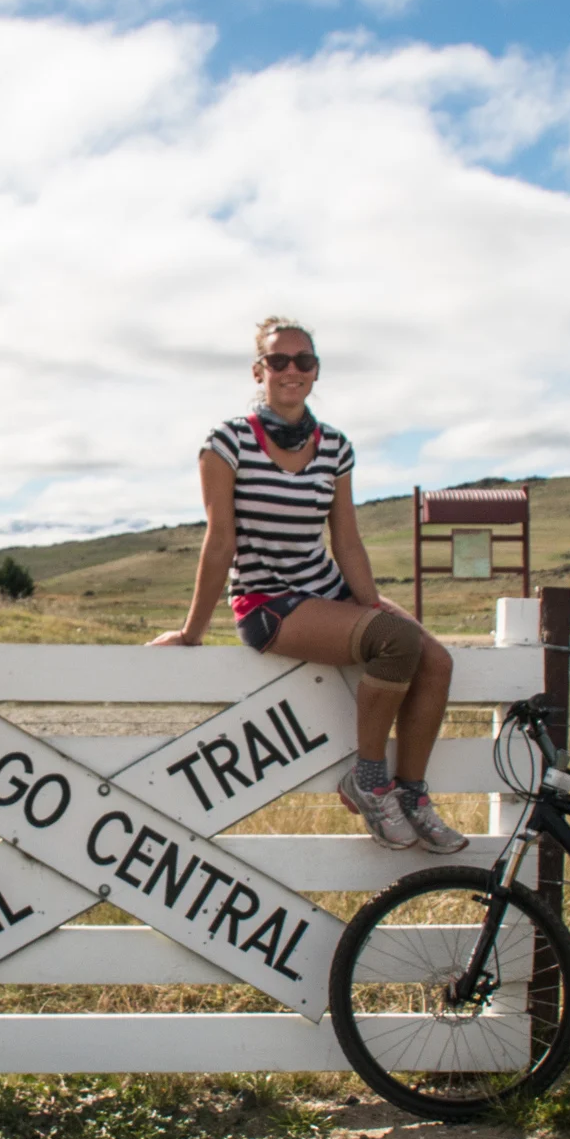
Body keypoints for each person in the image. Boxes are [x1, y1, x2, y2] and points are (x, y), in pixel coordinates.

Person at [149, 316, 463, 853]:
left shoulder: (335, 446)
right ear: (258, 370)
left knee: (435, 659)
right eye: (278, 361)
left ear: (316, 372)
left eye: (303, 361)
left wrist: (376, 606)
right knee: (397, 641)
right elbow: (220, 542)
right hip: (268, 603)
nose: (291, 370)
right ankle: (367, 782)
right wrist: (192, 631)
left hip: (326, 590)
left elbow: (347, 542)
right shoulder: (227, 443)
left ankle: (411, 794)